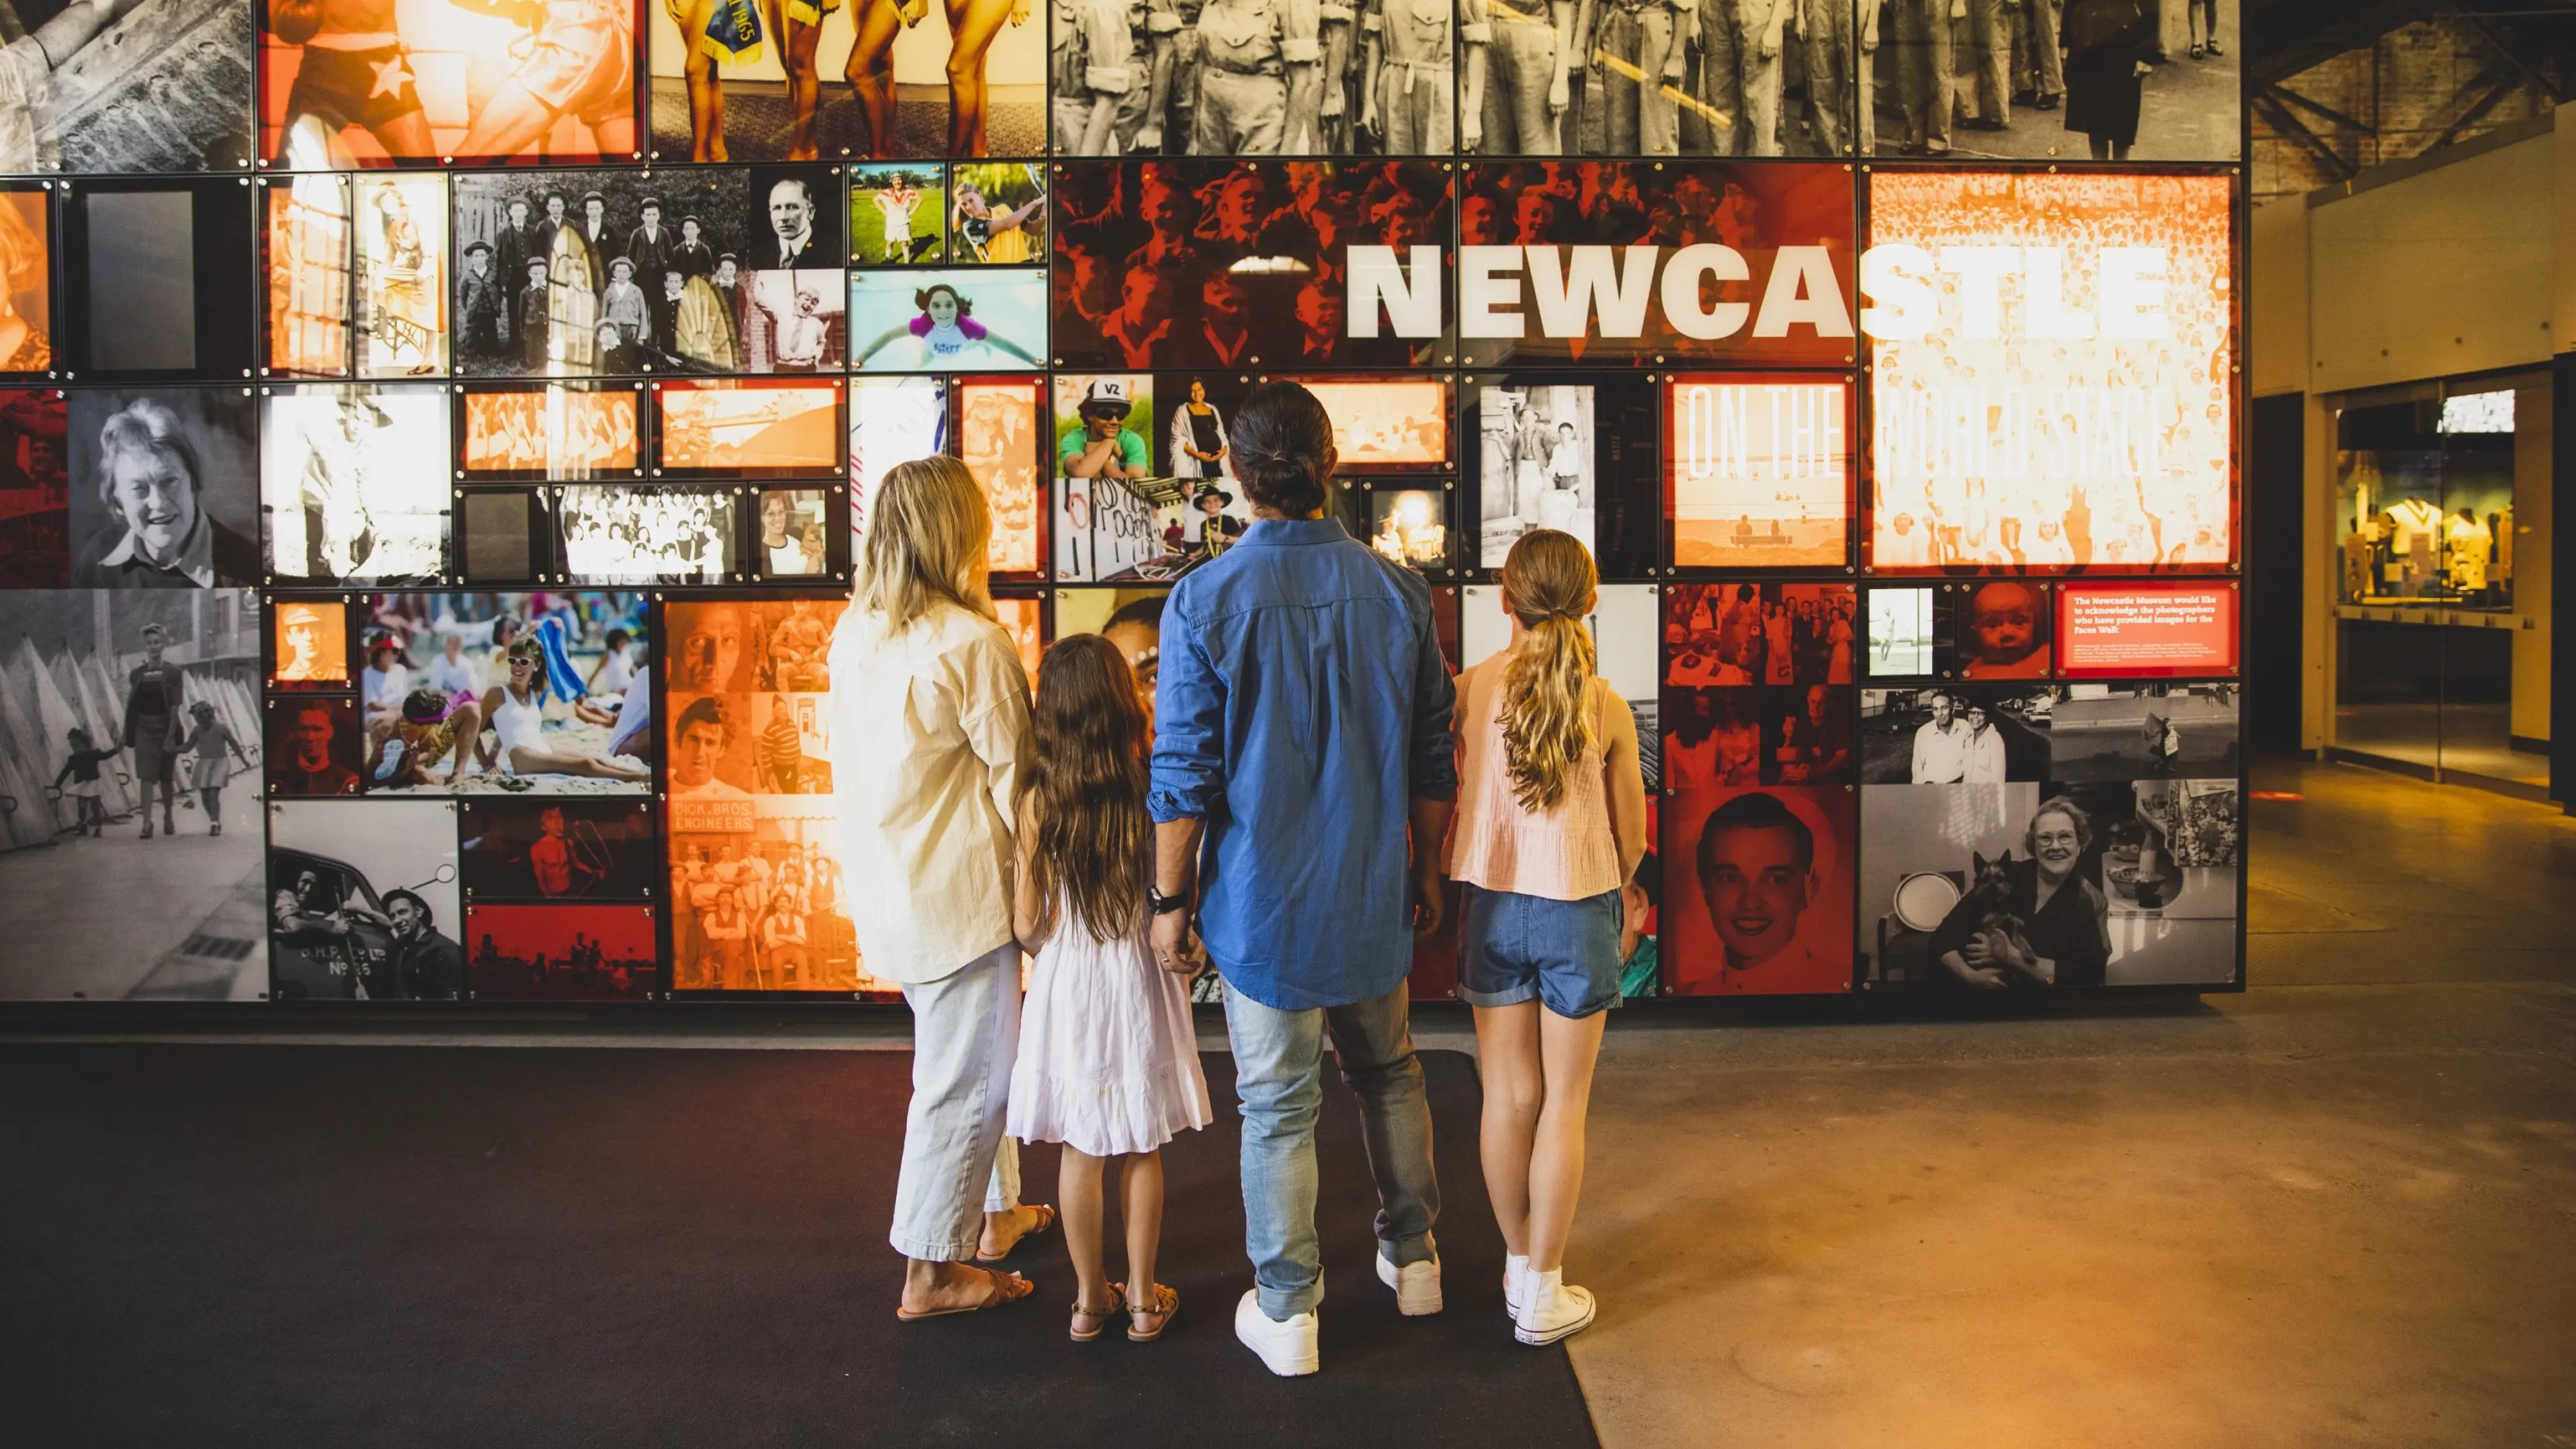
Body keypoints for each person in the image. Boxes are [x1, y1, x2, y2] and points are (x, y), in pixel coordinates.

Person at [1148, 381, 1455, 1377]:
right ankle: (1416, 1260)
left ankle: (1290, 1312)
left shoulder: (1203, 598)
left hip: (1262, 910)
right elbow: (1432, 757)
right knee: (1392, 1074)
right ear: (1332, 463)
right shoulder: (1400, 592)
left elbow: (1184, 774)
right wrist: (1431, 871)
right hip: (1370, 893)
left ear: (1234, 472)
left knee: (1278, 1106)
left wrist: (1169, 902)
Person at [826, 455, 1052, 1320]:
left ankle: (992, 1215)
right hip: (962, 897)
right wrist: (1042, 900)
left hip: (894, 889)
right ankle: (931, 1269)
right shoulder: (973, 643)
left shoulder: (858, 631)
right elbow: (1020, 784)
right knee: (968, 1081)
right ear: (957, 532)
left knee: (969, 1058)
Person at [1445, 529, 1646, 1346]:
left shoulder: (1467, 691)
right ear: (1591, 601)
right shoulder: (1605, 705)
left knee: (1508, 1098)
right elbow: (1630, 836)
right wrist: (1622, 895)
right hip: (1579, 906)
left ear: (1504, 597)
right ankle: (1543, 1289)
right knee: (1564, 1105)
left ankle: (1519, 1261)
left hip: (1491, 907)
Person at [1005, 632, 1214, 1343]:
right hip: (1136, 979)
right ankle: (1144, 1303)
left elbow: (1027, 921)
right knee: (1141, 1144)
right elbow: (1175, 893)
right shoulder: (1149, 788)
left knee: (1080, 1149)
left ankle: (1089, 1301)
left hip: (1069, 982)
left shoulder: (1037, 800)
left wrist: (1058, 945)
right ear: (1122, 704)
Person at [1928, 796, 2110, 987]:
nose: (2055, 846)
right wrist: (1970, 975)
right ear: (2034, 846)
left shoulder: (2091, 900)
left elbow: (2091, 974)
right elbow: (1942, 937)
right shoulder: (2005, 877)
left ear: (2080, 845)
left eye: (2065, 836)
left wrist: (2012, 957)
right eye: (2045, 838)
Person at [79, 399, 255, 590]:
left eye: (169, 481)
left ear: (193, 482)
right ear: (118, 502)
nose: (158, 503)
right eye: (139, 488)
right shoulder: (97, 557)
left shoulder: (247, 567)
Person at [1694, 790, 1828, 979]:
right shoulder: (1694, 995)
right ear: (1705, 889)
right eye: (1729, 879)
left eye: (1776, 880)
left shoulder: (1834, 984)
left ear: (1809, 887)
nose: (1750, 903)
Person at [481, 634, 650, 783]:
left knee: (596, 758)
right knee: (586, 765)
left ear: (537, 665)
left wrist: (493, 755)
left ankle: (640, 773)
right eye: (513, 661)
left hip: (541, 748)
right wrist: (487, 763)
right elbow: (474, 731)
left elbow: (508, 726)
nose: (517, 667)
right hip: (524, 757)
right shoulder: (497, 694)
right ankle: (639, 778)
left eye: (524, 662)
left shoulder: (535, 693)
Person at [853, 283, 1041, 369]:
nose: (944, 312)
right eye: (937, 306)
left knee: (972, 345)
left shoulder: (968, 326)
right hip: (933, 350)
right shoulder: (923, 324)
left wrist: (1035, 362)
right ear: (928, 309)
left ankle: (979, 344)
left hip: (961, 347)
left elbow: (1003, 344)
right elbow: (888, 336)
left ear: (956, 307)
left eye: (949, 305)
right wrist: (859, 360)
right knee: (918, 366)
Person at [2060, 0, 2152, 160]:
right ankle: (2099, 168)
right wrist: (2066, 42)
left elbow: (2150, 7)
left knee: (2123, 121)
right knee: (2094, 117)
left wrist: (2146, 53)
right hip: (2088, 40)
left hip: (2125, 43)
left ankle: (2120, 172)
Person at [122, 621, 185, 838]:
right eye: (149, 643)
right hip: (144, 728)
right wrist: (128, 731)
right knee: (146, 776)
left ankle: (168, 815)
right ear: (145, 646)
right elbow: (134, 704)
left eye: (157, 642)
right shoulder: (137, 674)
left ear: (163, 645)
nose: (154, 647)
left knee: (166, 776)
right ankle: (147, 823)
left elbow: (176, 706)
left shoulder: (174, 672)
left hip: (167, 726)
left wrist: (170, 736)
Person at [178, 701, 252, 837]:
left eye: (202, 718)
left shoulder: (221, 729)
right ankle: (214, 819)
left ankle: (214, 823)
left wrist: (244, 760)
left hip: (220, 764)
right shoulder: (197, 731)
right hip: (204, 764)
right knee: (205, 796)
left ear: (209, 716)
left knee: (213, 794)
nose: (200, 722)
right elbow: (188, 746)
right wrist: (173, 750)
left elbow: (234, 744)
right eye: (197, 719)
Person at [1059, 378, 1150, 481]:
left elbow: (1136, 487)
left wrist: (1103, 457)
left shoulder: (1132, 440)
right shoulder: (1075, 438)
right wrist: (1109, 445)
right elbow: (1080, 474)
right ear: (1090, 415)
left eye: (1120, 415)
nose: (1115, 421)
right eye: (1106, 414)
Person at [384, 887, 466, 999]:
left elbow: (454, 997)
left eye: (402, 912)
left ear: (418, 912)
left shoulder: (444, 948)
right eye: (392, 916)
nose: (397, 921)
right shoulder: (400, 950)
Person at [953, 176, 1044, 264]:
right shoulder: (970, 226)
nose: (968, 207)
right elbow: (1007, 224)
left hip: (1024, 266)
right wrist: (1036, 203)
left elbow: (1033, 230)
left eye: (971, 200)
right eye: (964, 204)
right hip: (1000, 274)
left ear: (980, 197)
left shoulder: (1004, 209)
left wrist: (1043, 216)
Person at [53, 727, 116, 837]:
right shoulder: (88, 755)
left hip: (88, 783)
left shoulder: (79, 757)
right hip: (87, 784)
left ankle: (88, 827)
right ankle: (93, 828)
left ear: (82, 744)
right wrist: (117, 749)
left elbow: (66, 772)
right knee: (91, 806)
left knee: (86, 806)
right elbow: (107, 755)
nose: (74, 748)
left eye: (74, 746)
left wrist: (58, 784)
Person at [1170, 378, 1229, 480]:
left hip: (1217, 461)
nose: (1197, 393)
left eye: (1200, 389)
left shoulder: (1212, 409)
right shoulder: (1183, 410)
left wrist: (1223, 451)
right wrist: (1198, 455)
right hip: (1198, 462)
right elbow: (1178, 439)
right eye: (1193, 391)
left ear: (1205, 390)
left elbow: (1221, 434)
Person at [1909, 690, 1965, 783]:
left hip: (1958, 788)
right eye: (1936, 709)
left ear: (1952, 708)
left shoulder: (1965, 727)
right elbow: (1917, 768)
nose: (1940, 714)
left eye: (1944, 708)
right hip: (1931, 789)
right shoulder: (1923, 733)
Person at [1959, 701, 2006, 783]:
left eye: (1980, 713)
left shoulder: (1995, 740)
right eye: (1972, 713)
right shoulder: (1968, 737)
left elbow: (1999, 780)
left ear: (1987, 716)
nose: (1975, 717)